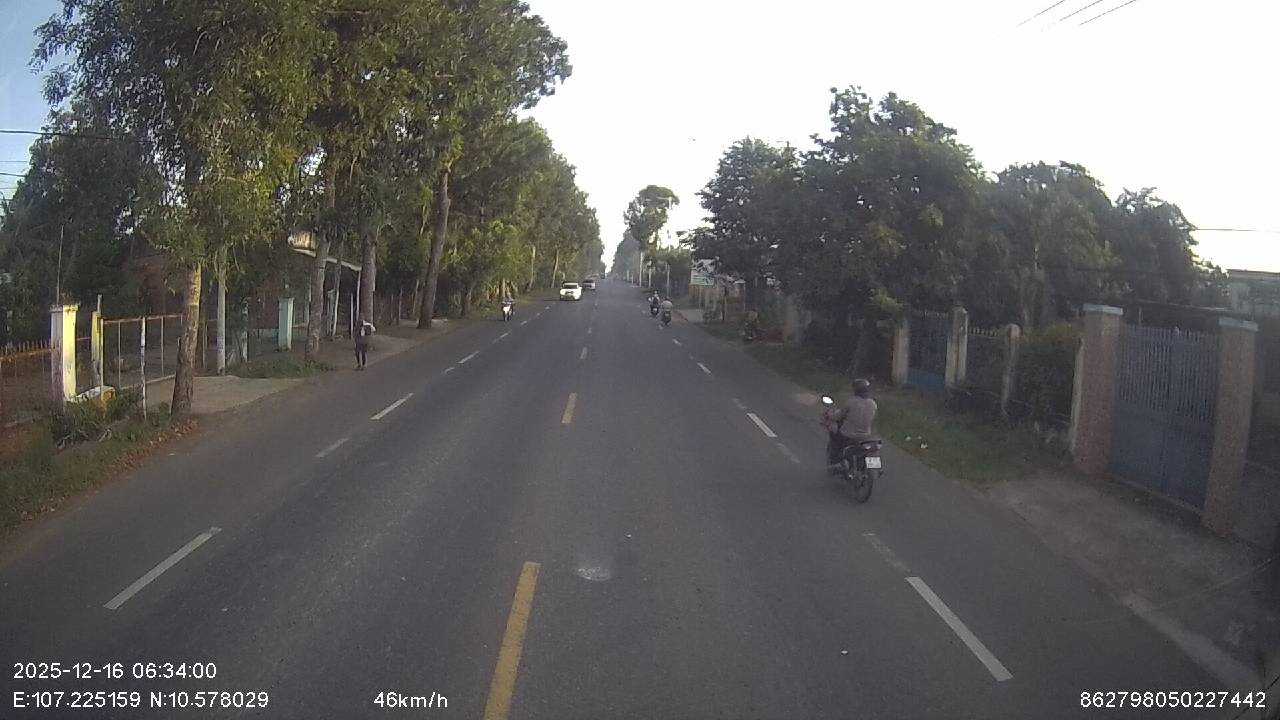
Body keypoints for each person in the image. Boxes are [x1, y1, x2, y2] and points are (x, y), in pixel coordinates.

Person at [828, 378, 878, 466]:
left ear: (856, 390)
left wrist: (830, 415)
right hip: (866, 436)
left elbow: (838, 416)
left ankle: (835, 461)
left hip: (849, 435)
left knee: (834, 436)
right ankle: (871, 465)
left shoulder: (851, 402)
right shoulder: (873, 404)